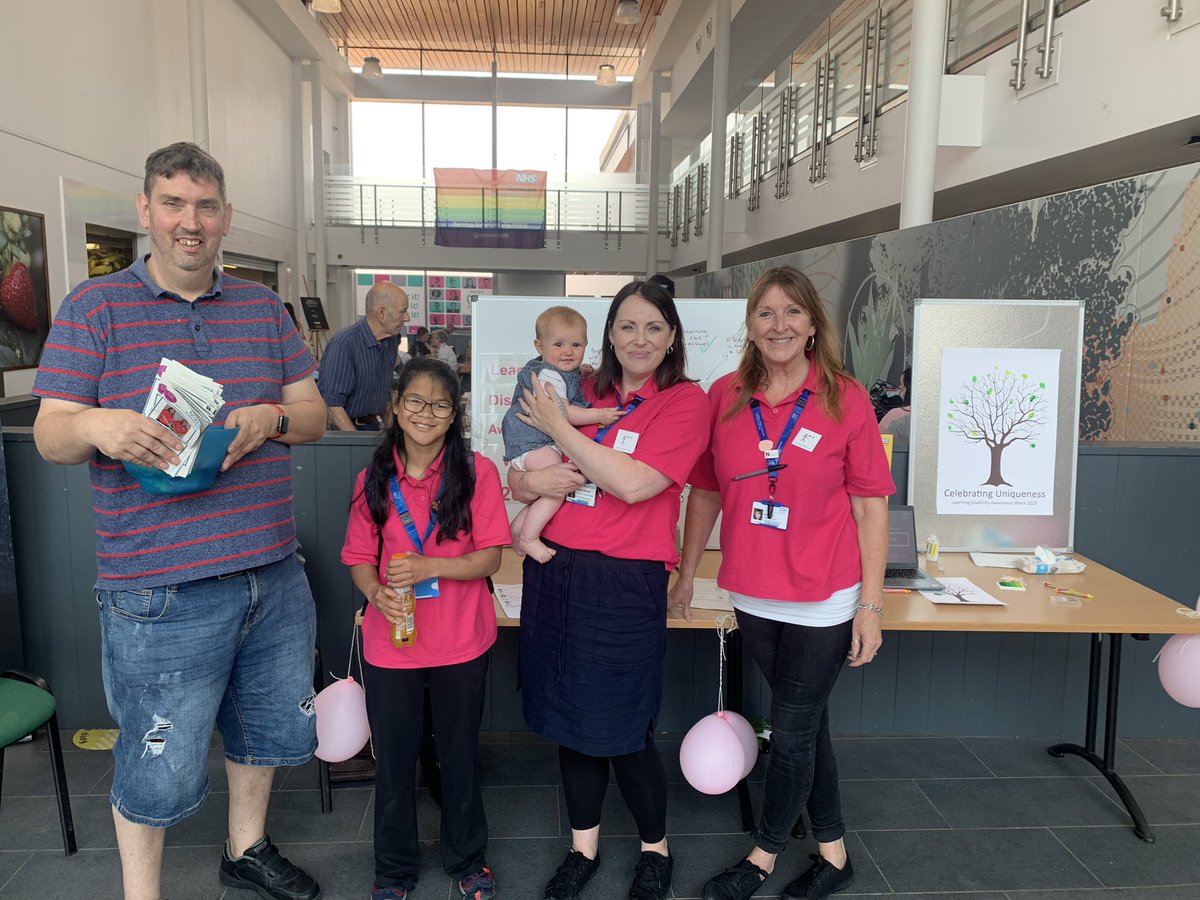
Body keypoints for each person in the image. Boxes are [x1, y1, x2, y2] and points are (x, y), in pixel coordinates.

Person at [31, 142, 327, 900]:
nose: (188, 223)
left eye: (203, 207)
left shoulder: (263, 308)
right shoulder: (93, 308)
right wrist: (100, 427)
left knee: (261, 733)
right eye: (173, 204)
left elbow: (314, 414)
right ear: (146, 211)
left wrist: (272, 417)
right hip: (157, 590)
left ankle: (246, 848)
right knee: (155, 757)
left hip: (270, 572)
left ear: (225, 217)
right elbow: (49, 431)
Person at [669, 265, 894, 900]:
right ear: (750, 324)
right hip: (752, 591)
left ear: (812, 324)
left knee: (791, 732)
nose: (779, 325)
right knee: (808, 723)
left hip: (825, 596)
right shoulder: (726, 395)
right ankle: (834, 851)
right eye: (766, 313)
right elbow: (706, 489)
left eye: (792, 312)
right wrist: (688, 573)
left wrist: (870, 606)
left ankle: (763, 855)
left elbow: (870, 504)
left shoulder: (845, 397)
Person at [509, 281, 710, 900]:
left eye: (653, 327)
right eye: (627, 326)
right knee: (571, 722)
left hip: (625, 583)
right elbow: (519, 475)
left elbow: (631, 484)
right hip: (557, 571)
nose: (639, 339)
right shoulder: (581, 388)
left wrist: (560, 434)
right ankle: (583, 848)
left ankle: (655, 848)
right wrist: (528, 478)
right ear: (609, 334)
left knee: (624, 727)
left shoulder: (683, 402)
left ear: (672, 335)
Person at [341, 357, 506, 900]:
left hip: (461, 639)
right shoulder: (374, 477)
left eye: (439, 404)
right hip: (394, 641)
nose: (426, 413)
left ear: (453, 413)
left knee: (457, 756)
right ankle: (393, 872)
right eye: (415, 401)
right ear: (395, 406)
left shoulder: (477, 471)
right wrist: (375, 592)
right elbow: (360, 556)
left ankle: (467, 861)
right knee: (394, 763)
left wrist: (430, 566)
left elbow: (489, 560)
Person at [501, 305, 624, 562]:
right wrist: (599, 416)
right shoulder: (549, 376)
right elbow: (563, 413)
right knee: (559, 484)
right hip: (534, 442)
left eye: (576, 345)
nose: (568, 351)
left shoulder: (560, 372)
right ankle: (529, 537)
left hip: (535, 443)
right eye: (558, 344)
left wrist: (581, 372)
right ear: (539, 346)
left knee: (550, 489)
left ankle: (518, 527)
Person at [320, 281, 411, 431]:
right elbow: (334, 407)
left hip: (372, 427)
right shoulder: (344, 344)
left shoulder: (391, 342)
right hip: (344, 433)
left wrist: (396, 441)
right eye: (403, 311)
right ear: (381, 312)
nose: (407, 318)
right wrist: (355, 443)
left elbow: (385, 401)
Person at [878, 366, 912, 443]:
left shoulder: (895, 415)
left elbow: (877, 441)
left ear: (909, 387)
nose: (899, 387)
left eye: (901, 383)